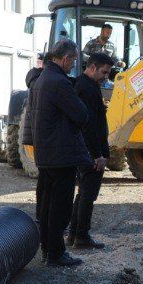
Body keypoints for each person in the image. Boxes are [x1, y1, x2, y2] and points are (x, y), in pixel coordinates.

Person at [29, 38, 90, 267]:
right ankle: (56, 253)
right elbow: (81, 115)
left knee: (45, 206)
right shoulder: (59, 83)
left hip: (45, 154)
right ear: (65, 58)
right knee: (60, 208)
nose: (74, 64)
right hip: (61, 156)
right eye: (73, 60)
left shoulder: (41, 79)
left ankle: (47, 250)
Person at [68, 52, 114, 250]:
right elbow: (89, 126)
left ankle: (74, 235)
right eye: (104, 72)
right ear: (93, 67)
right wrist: (97, 155)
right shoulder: (86, 88)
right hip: (89, 152)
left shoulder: (86, 85)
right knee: (88, 195)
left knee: (83, 193)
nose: (106, 76)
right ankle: (81, 237)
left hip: (86, 150)